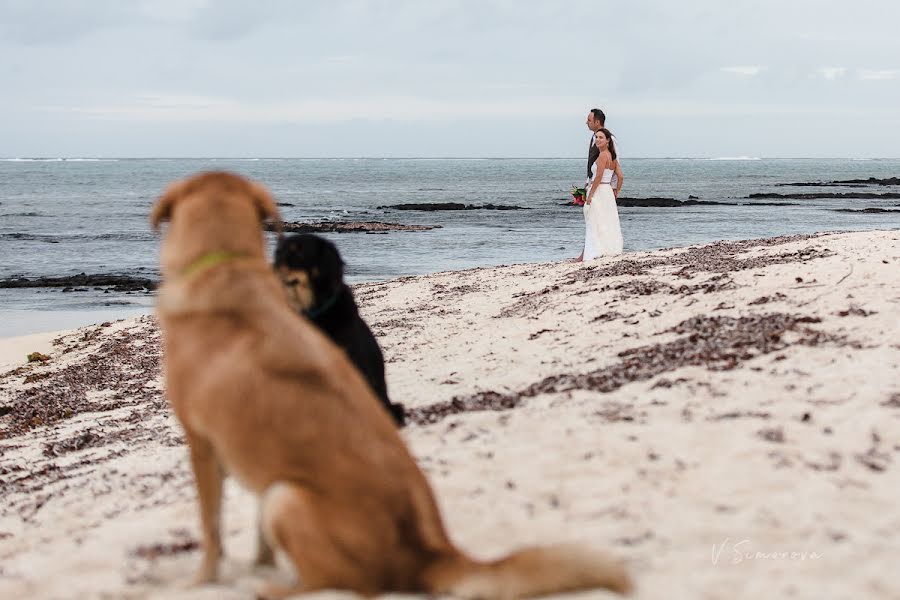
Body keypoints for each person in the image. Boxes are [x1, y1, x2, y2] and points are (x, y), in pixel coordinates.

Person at [577, 108, 620, 260]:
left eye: (589, 120)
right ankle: (587, 251)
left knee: (597, 219)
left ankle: (588, 253)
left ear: (597, 121)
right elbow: (593, 165)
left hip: (603, 187)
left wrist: (613, 187)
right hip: (595, 185)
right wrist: (587, 184)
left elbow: (615, 163)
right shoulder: (594, 138)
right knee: (594, 219)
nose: (586, 123)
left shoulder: (609, 139)